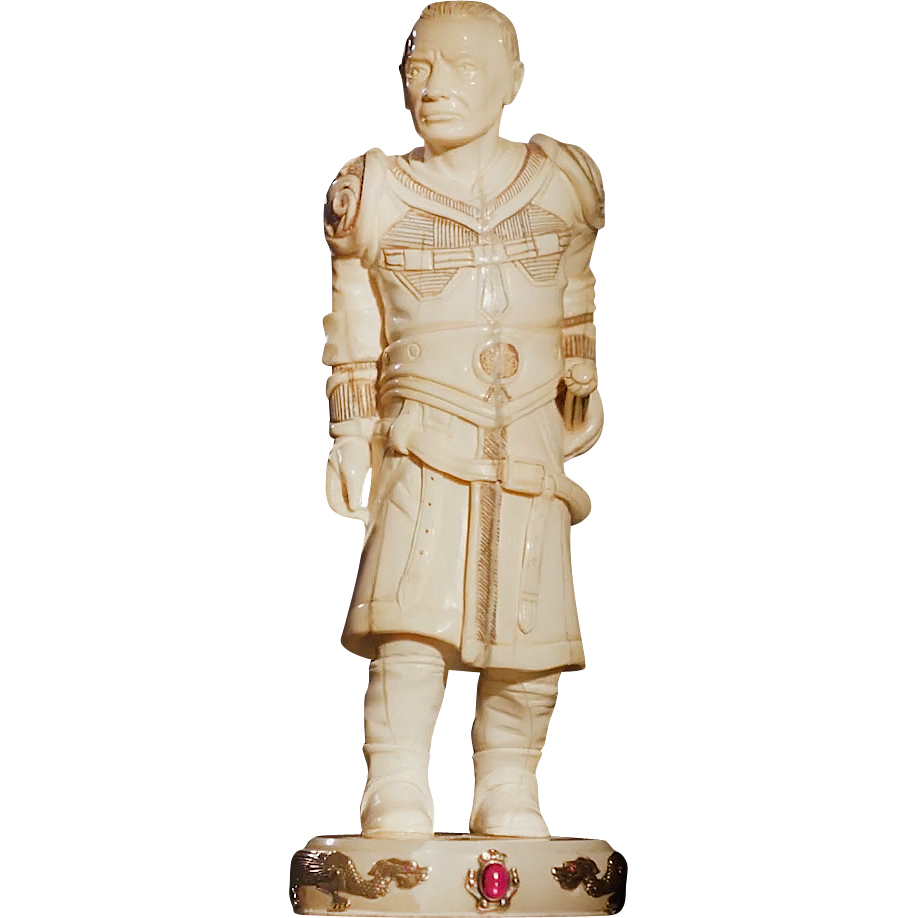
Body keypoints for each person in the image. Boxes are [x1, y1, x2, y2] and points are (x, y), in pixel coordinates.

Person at [322, 1, 604, 838]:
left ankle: (509, 783)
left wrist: (583, 374)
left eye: (461, 69)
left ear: (512, 81)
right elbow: (353, 325)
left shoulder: (564, 182)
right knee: (410, 618)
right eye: (418, 70)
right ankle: (396, 781)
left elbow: (574, 289)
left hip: (530, 429)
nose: (433, 88)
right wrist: (349, 430)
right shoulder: (370, 193)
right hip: (424, 430)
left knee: (530, 627)